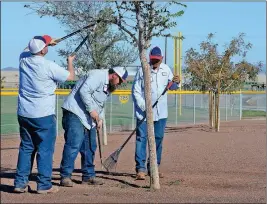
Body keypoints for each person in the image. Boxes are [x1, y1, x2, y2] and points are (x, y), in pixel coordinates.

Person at [14, 35, 76, 194]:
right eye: (46, 45)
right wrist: (70, 61)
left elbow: (27, 49)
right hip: (43, 114)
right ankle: (44, 185)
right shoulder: (49, 66)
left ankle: (20, 183)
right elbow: (70, 77)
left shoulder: (23, 60)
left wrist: (47, 42)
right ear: (43, 50)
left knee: (26, 147)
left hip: (24, 113)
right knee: (45, 150)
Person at [59, 67, 128, 187]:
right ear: (114, 75)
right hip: (75, 112)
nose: (120, 84)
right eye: (120, 80)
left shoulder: (109, 87)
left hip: (89, 117)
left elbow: (100, 104)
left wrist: (99, 118)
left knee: (90, 146)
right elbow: (84, 91)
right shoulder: (97, 75)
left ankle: (88, 176)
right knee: (73, 144)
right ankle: (65, 176)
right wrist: (92, 111)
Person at [132, 46, 180, 180]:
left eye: (157, 60)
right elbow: (135, 91)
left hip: (161, 113)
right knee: (142, 139)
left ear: (162, 59)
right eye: (153, 60)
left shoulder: (166, 69)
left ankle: (154, 167)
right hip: (144, 113)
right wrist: (145, 107)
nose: (154, 63)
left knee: (158, 138)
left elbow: (173, 87)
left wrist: (177, 82)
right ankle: (140, 169)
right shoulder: (142, 70)